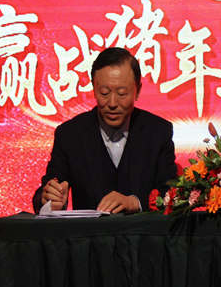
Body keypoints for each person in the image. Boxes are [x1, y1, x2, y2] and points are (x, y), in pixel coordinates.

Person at [33, 47, 177, 213]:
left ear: (138, 91)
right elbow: (46, 192)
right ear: (93, 88)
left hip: (143, 229)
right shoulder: (70, 134)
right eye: (104, 93)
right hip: (90, 230)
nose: (112, 103)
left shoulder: (158, 132)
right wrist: (50, 201)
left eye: (122, 93)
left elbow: (172, 195)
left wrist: (136, 203)